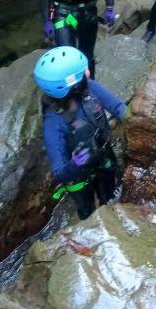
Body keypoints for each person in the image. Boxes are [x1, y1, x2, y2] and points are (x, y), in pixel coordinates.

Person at [34, 46, 127, 220]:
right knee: (87, 212)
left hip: (103, 158)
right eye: (82, 72)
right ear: (71, 85)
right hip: (79, 178)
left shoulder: (89, 88)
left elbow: (117, 107)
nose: (87, 72)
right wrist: (75, 164)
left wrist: (133, 118)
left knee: (109, 199)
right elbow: (59, 172)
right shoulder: (53, 123)